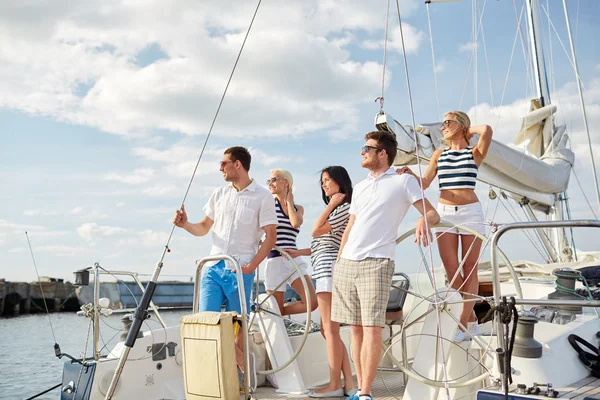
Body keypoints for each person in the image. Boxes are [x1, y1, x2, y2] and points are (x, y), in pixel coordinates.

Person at [332, 131, 440, 400]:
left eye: (366, 148)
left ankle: (366, 394)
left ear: (383, 153)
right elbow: (351, 224)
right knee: (354, 329)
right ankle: (359, 391)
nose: (361, 152)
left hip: (377, 261)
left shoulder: (403, 181)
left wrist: (421, 220)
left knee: (371, 327)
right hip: (347, 263)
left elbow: (432, 213)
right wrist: (339, 259)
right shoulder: (360, 186)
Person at [173, 146, 277, 389]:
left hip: (240, 270)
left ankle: (239, 381)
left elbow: (271, 236)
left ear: (237, 164)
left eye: (224, 163)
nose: (220, 168)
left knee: (236, 332)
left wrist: (251, 266)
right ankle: (233, 376)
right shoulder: (219, 194)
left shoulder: (262, 197)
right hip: (212, 268)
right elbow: (202, 228)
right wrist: (185, 224)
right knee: (207, 324)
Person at [398, 111, 493, 342]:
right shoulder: (439, 154)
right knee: (451, 269)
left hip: (471, 213)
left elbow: (487, 130)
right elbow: (426, 182)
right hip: (445, 214)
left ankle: (462, 322)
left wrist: (465, 130)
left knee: (470, 268)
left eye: (447, 123)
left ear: (461, 125)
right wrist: (411, 174)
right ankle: (469, 318)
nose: (443, 127)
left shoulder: (475, 152)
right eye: (442, 124)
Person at [288, 166, 356, 398]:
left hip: (328, 271)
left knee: (330, 329)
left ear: (340, 182)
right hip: (324, 267)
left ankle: (334, 385)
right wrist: (299, 252)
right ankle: (348, 383)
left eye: (328, 180)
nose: (324, 184)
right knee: (330, 332)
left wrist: (329, 206)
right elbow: (324, 242)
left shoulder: (343, 208)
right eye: (322, 181)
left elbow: (317, 231)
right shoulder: (340, 210)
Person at [264, 168, 317, 315]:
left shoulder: (298, 208)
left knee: (312, 302)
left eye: (274, 179)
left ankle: (278, 313)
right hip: (275, 259)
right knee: (276, 309)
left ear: (285, 182)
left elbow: (295, 223)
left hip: (294, 258)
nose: (270, 183)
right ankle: (276, 314)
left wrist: (289, 201)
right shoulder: (268, 207)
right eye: (269, 181)